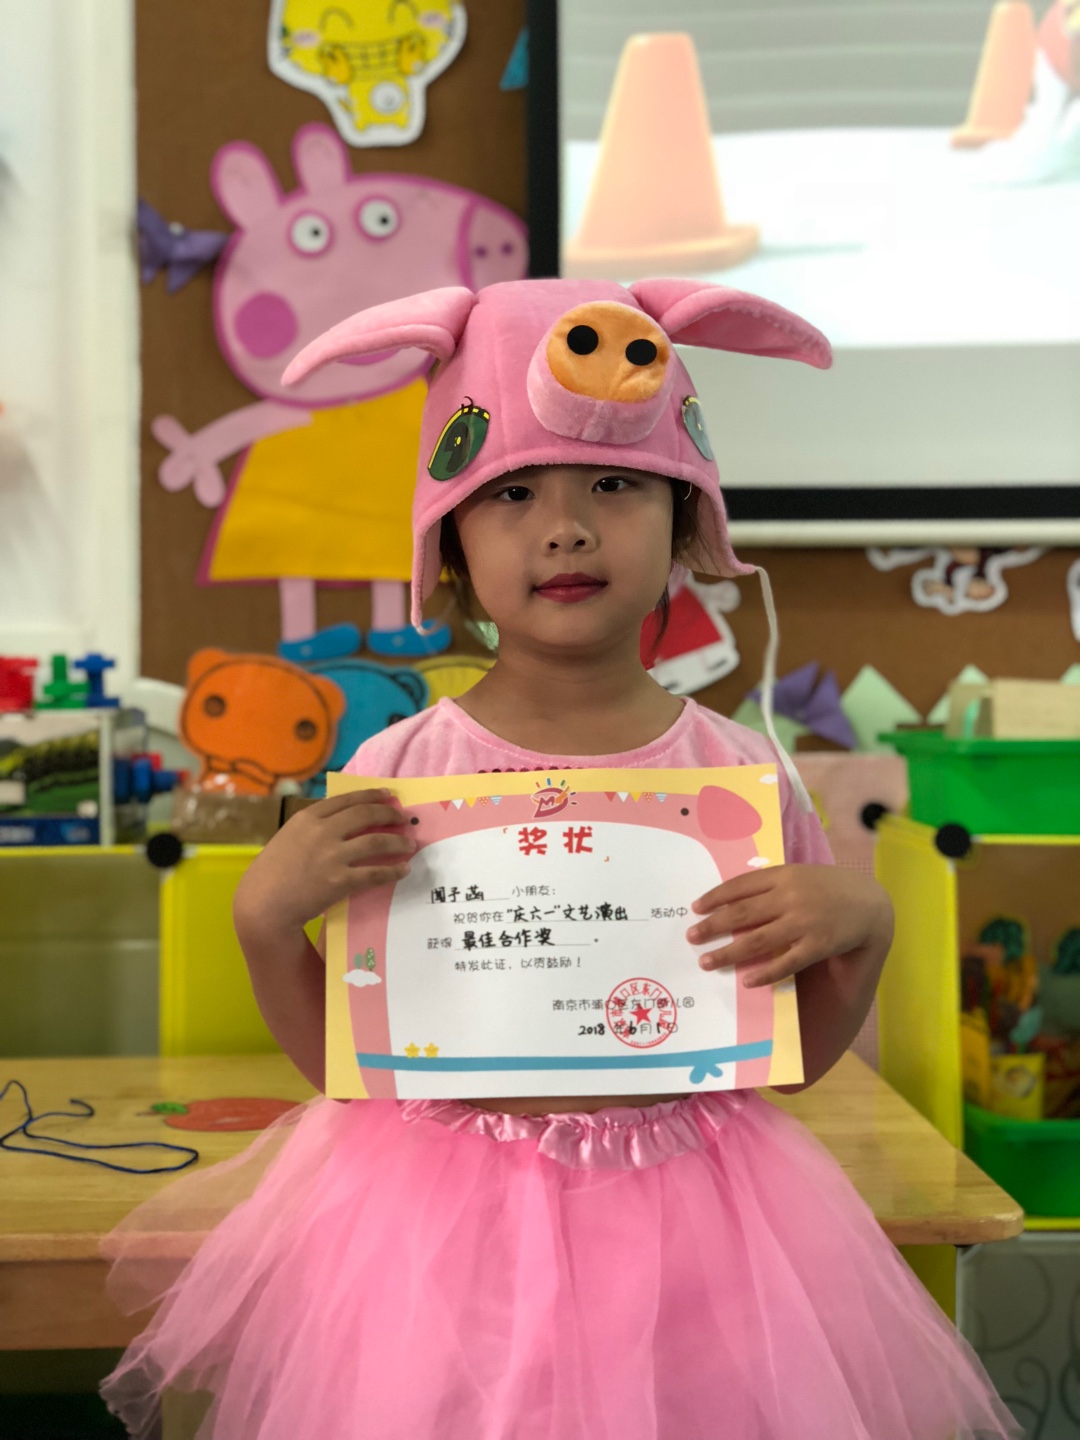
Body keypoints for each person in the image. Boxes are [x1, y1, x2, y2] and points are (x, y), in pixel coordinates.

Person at [102, 278, 1018, 1439]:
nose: (566, 527)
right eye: (512, 492)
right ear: (447, 540)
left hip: (701, 1236)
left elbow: (782, 1064)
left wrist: (864, 930)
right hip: (436, 1240)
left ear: (687, 520)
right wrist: (264, 922)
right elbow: (350, 1062)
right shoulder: (399, 766)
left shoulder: (736, 773)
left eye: (616, 485)